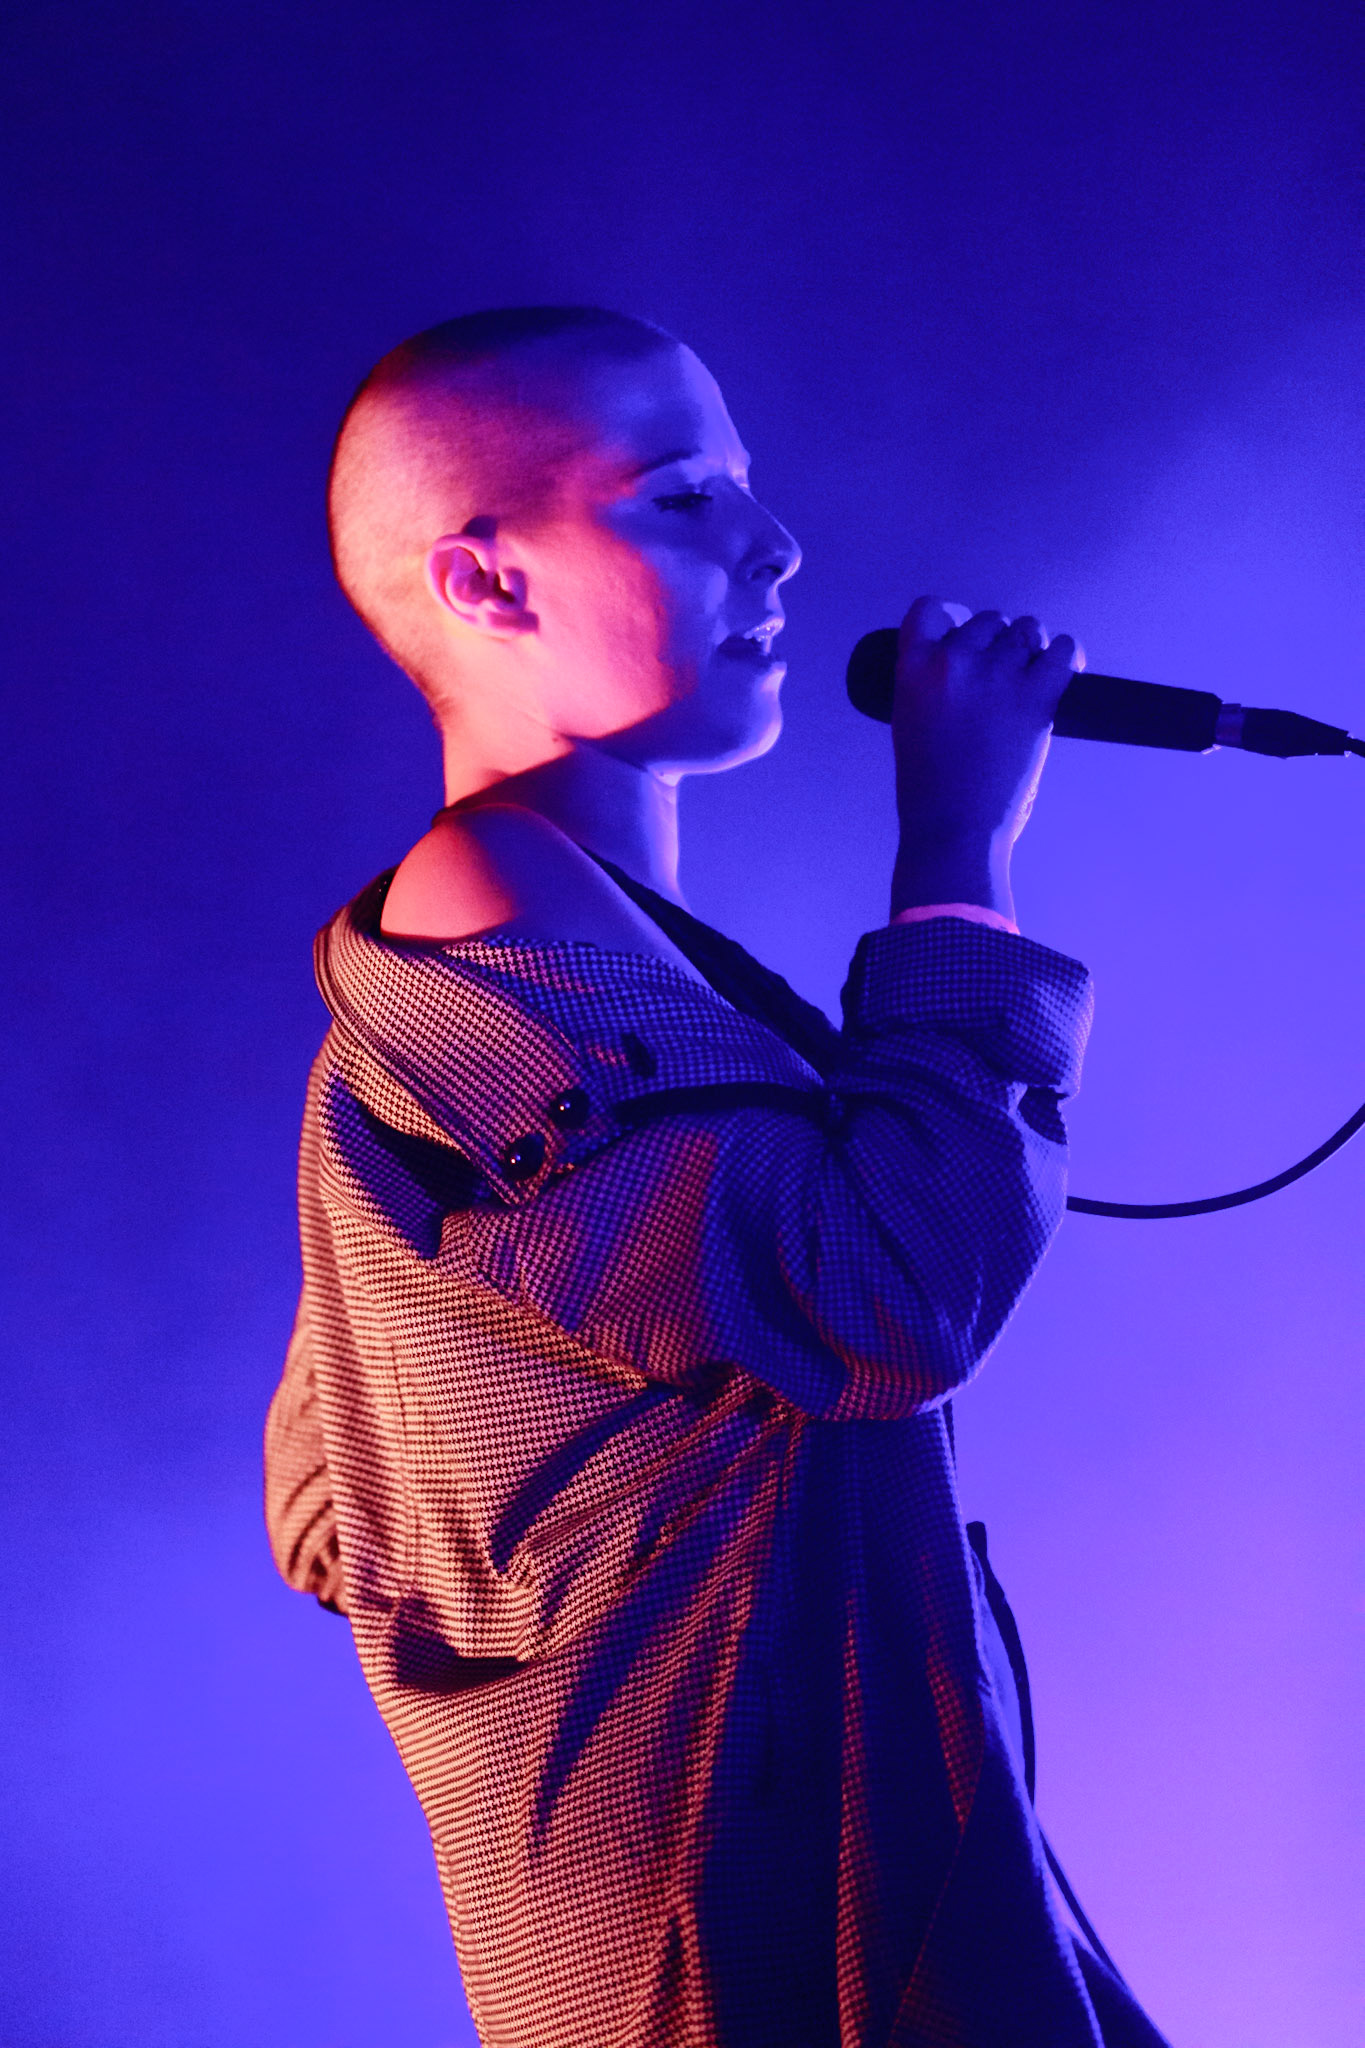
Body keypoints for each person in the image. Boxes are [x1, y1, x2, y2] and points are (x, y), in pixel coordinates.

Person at [265, 306, 1169, 2047]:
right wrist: (958, 845)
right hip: (739, 1950)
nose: (775, 546)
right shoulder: (482, 915)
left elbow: (326, 1489)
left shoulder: (567, 973)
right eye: (682, 497)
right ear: (486, 584)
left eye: (746, 487)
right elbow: (890, 1290)